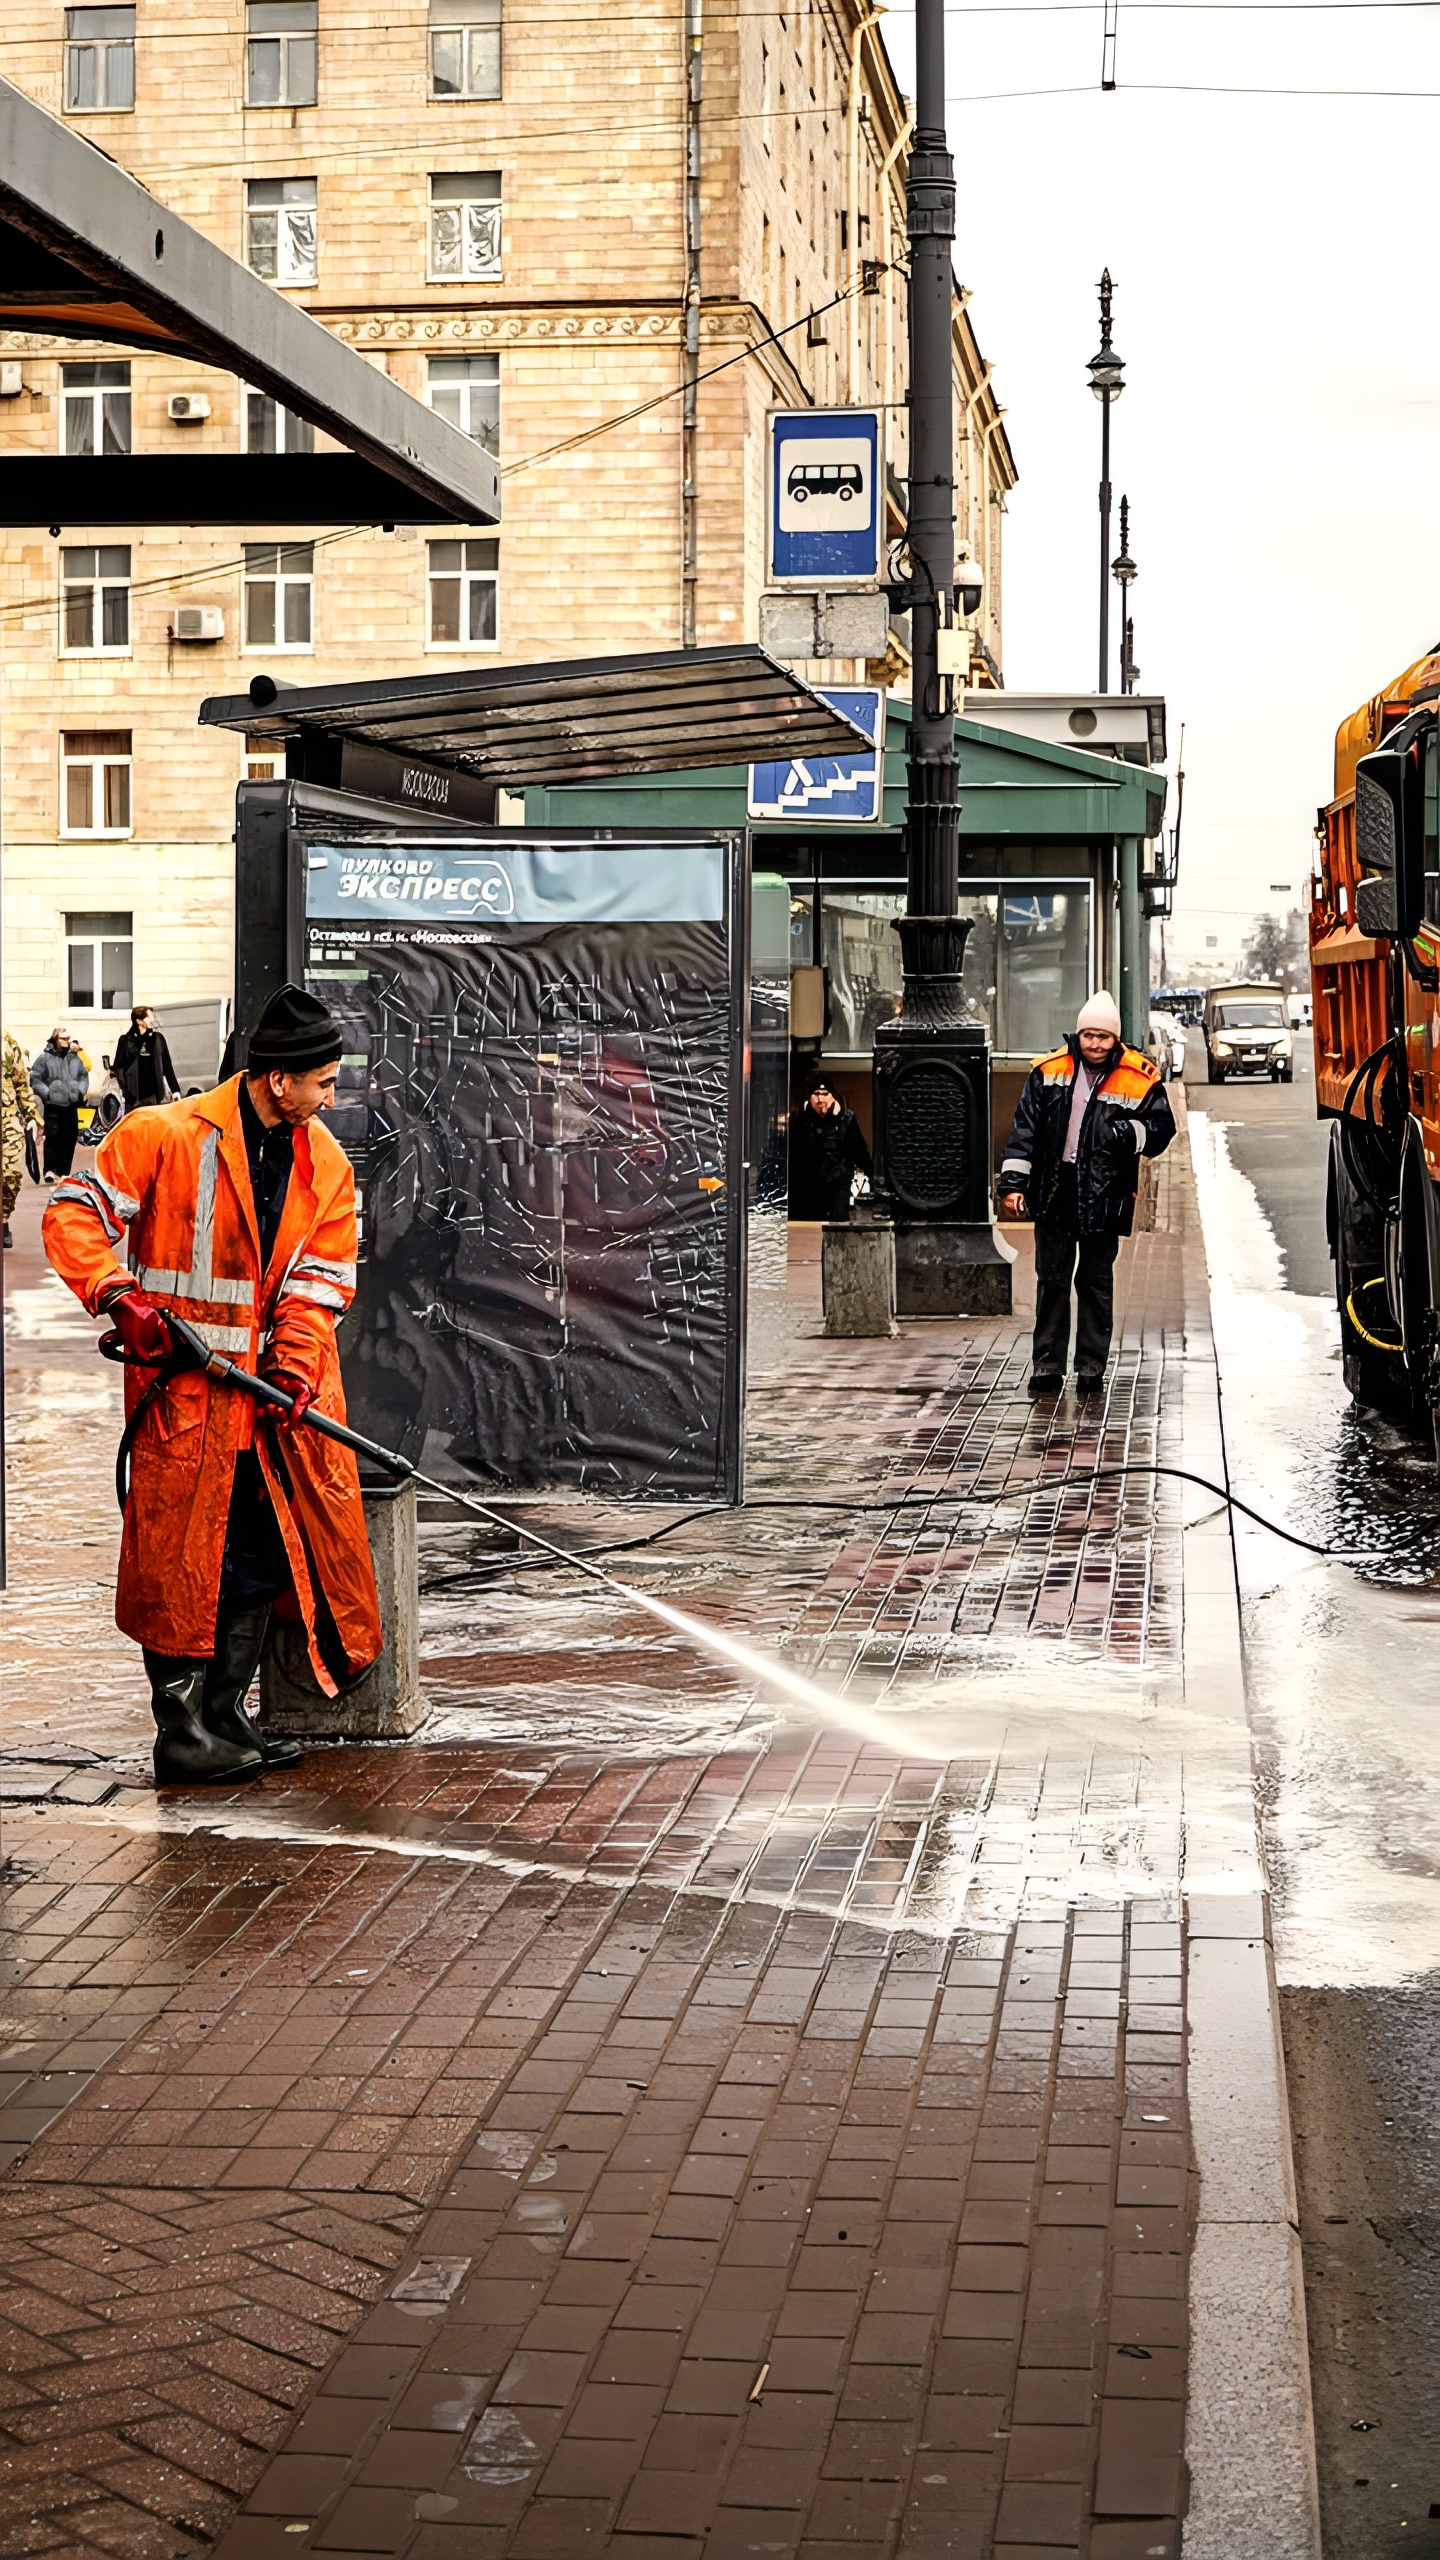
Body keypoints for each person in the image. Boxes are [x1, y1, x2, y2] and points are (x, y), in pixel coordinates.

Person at [43, 983, 382, 1788]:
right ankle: (183, 1732)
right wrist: (122, 1298)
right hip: (185, 1402)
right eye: (324, 1083)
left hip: (265, 1406)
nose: (331, 1097)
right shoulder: (161, 1135)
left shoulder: (322, 1164)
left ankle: (226, 1717)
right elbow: (73, 1212)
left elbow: (320, 1282)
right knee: (181, 1562)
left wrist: (295, 1365)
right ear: (278, 1080)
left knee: (259, 1559)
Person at [999, 990, 1175, 1397]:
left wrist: (1127, 1132)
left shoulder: (1140, 1075)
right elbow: (1024, 1131)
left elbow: (1162, 1130)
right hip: (1055, 1191)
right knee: (1052, 1281)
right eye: (1088, 1036)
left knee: (1096, 1284)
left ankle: (1091, 1367)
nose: (1095, 1044)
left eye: (1104, 1037)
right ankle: (1046, 1366)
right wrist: (1013, 1185)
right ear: (1077, 1035)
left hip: (1105, 1193)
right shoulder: (1047, 1071)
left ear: (1117, 1038)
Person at [789, 1072, 873, 1221]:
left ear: (832, 1095)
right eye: (816, 1094)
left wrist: (873, 1176)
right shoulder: (798, 1119)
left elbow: (859, 1151)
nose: (821, 1099)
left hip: (837, 1186)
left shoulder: (846, 1119)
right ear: (810, 1097)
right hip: (806, 1189)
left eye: (825, 1094)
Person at [30, 1026, 91, 1183]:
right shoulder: (44, 1058)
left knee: (69, 1137)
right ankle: (50, 1169)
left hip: (71, 1103)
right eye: (63, 1038)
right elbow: (36, 1078)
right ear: (55, 1039)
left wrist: (80, 1091)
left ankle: (64, 1170)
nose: (67, 1041)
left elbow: (83, 1075)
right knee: (52, 1136)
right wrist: (47, 1093)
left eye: (68, 1038)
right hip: (53, 1104)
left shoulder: (74, 1058)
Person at [3, 1031, 41, 1248]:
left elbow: (21, 1083)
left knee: (12, 1174)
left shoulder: (7, 1043)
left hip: (7, 1118)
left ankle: (3, 1220)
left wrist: (31, 1115)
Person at [113, 1005, 180, 1112]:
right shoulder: (126, 1041)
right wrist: (126, 1090)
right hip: (134, 1097)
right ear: (139, 1021)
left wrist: (175, 1090)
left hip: (154, 1095)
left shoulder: (158, 1039)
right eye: (149, 1017)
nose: (153, 1020)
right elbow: (118, 1067)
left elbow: (167, 1066)